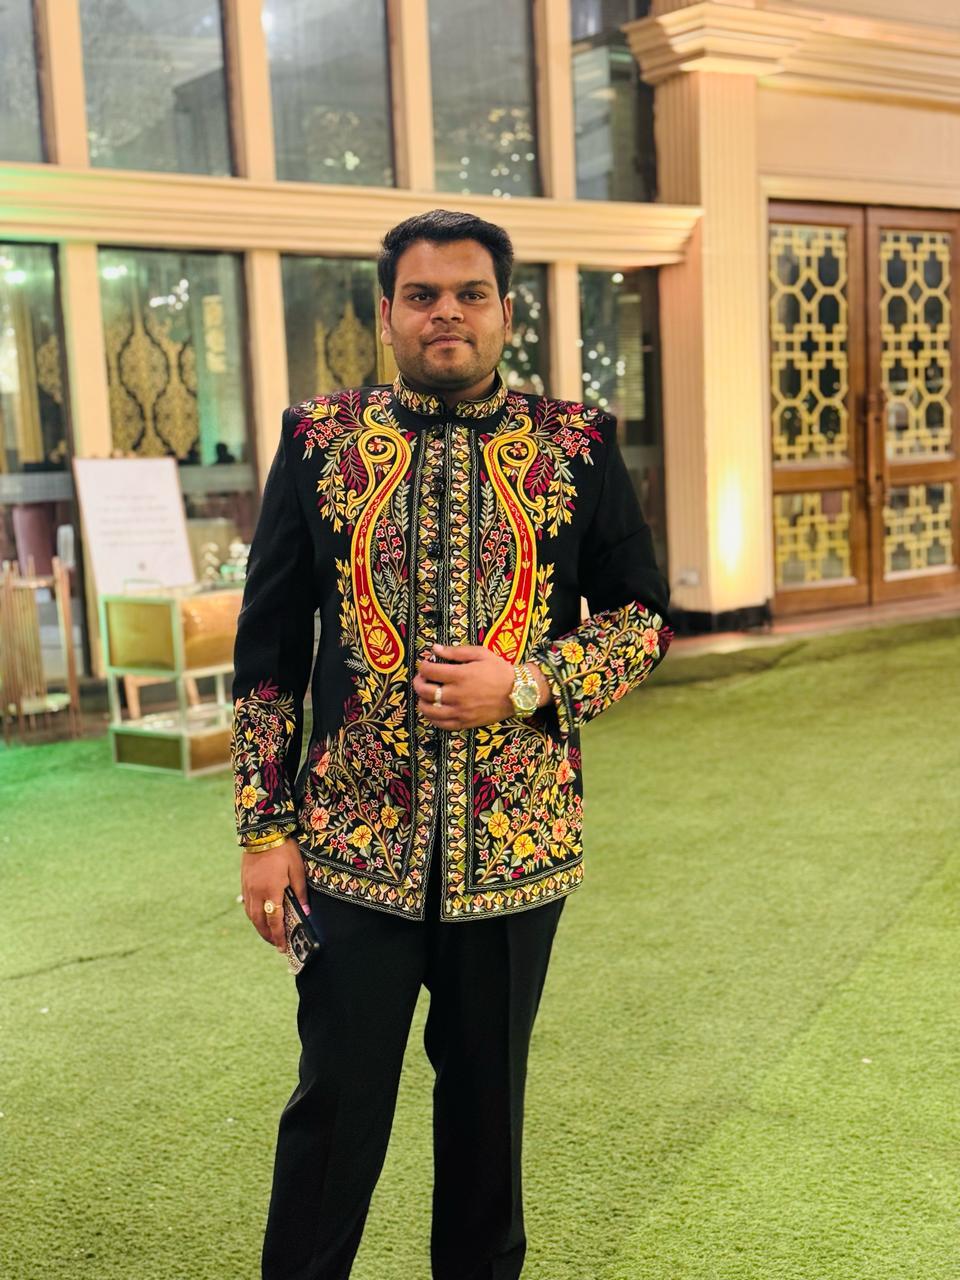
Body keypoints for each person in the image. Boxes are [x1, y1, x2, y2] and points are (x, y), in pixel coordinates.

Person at [231, 208, 671, 1280]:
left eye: (470, 294)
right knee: (334, 1108)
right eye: (422, 295)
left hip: (515, 850)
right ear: (386, 312)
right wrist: (262, 828)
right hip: (352, 847)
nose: (447, 314)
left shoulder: (576, 442)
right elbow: (271, 644)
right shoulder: (319, 439)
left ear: (505, 311)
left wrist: (526, 684)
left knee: (486, 1117)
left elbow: (642, 618)